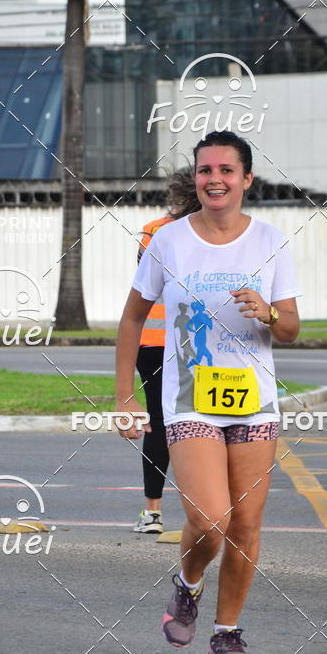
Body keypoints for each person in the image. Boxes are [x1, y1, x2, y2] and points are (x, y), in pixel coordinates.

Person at [116, 130, 300, 654]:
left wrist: (268, 312)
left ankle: (227, 633)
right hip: (190, 399)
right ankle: (188, 581)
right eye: (204, 170)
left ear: (246, 179)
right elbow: (131, 317)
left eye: (225, 170)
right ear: (195, 178)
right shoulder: (169, 240)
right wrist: (125, 397)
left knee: (246, 524)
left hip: (254, 401)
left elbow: (290, 328)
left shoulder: (270, 241)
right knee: (212, 518)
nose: (214, 179)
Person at [133, 170, 200, 534]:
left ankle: (152, 513)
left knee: (159, 424)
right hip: (191, 346)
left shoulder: (153, 231)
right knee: (196, 425)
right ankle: (203, 511)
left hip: (155, 343)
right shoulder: (206, 233)